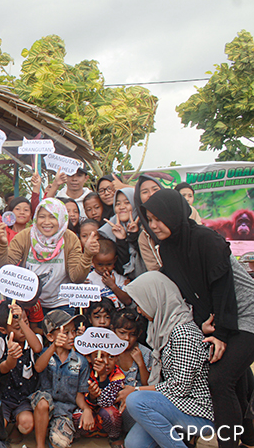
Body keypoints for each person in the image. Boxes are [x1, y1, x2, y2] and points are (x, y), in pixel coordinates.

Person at [142, 189, 254, 447]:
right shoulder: (168, 249)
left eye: (158, 218)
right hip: (221, 316)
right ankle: (247, 436)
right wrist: (204, 323)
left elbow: (223, 290)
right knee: (234, 377)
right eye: (149, 218)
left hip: (246, 313)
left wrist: (220, 334)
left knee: (220, 379)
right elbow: (191, 292)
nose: (153, 224)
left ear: (173, 214)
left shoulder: (207, 240)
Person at [115, 272, 215, 448]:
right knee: (134, 444)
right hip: (176, 404)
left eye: (141, 304)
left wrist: (137, 389)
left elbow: (180, 387)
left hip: (196, 411)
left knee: (135, 400)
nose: (139, 310)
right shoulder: (161, 325)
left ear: (155, 299)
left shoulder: (183, 333)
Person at [0, 198, 100, 314]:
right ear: (35, 218)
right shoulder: (24, 236)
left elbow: (76, 278)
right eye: (42, 217)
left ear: (61, 218)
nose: (46, 222)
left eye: (52, 217)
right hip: (29, 303)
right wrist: (2, 244)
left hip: (61, 304)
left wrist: (88, 255)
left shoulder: (70, 239)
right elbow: (3, 270)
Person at [31, 310, 92, 448]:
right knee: (42, 402)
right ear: (51, 336)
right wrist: (54, 346)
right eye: (66, 333)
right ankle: (40, 445)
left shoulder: (80, 361)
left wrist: (86, 409)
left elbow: (79, 394)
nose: (71, 336)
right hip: (44, 406)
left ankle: (53, 431)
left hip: (65, 410)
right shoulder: (45, 353)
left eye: (73, 331)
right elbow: (39, 367)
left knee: (60, 443)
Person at [0, 302, 43, 439]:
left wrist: (21, 321)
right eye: (17, 327)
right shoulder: (0, 344)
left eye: (26, 323)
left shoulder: (33, 340)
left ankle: (16, 427)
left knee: (26, 425)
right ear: (4, 331)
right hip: (3, 398)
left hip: (24, 399)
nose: (23, 329)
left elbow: (38, 348)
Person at [76, 350, 125, 447]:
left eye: (111, 356)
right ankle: (79, 435)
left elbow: (106, 402)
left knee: (110, 412)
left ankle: (114, 437)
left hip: (106, 421)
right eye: (100, 356)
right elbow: (77, 394)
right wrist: (91, 398)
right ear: (89, 358)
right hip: (90, 420)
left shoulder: (117, 375)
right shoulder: (85, 371)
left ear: (117, 358)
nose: (106, 362)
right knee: (78, 415)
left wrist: (103, 376)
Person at [101, 187, 145, 279]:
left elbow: (146, 260)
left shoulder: (146, 226)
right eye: (117, 204)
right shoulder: (110, 229)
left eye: (127, 202)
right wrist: (121, 240)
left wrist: (133, 236)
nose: (121, 207)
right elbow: (121, 268)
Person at [86, 238, 132, 309]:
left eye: (109, 264)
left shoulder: (119, 277)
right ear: (92, 261)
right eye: (100, 264)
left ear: (115, 259)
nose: (105, 268)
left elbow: (128, 301)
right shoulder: (89, 280)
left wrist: (113, 286)